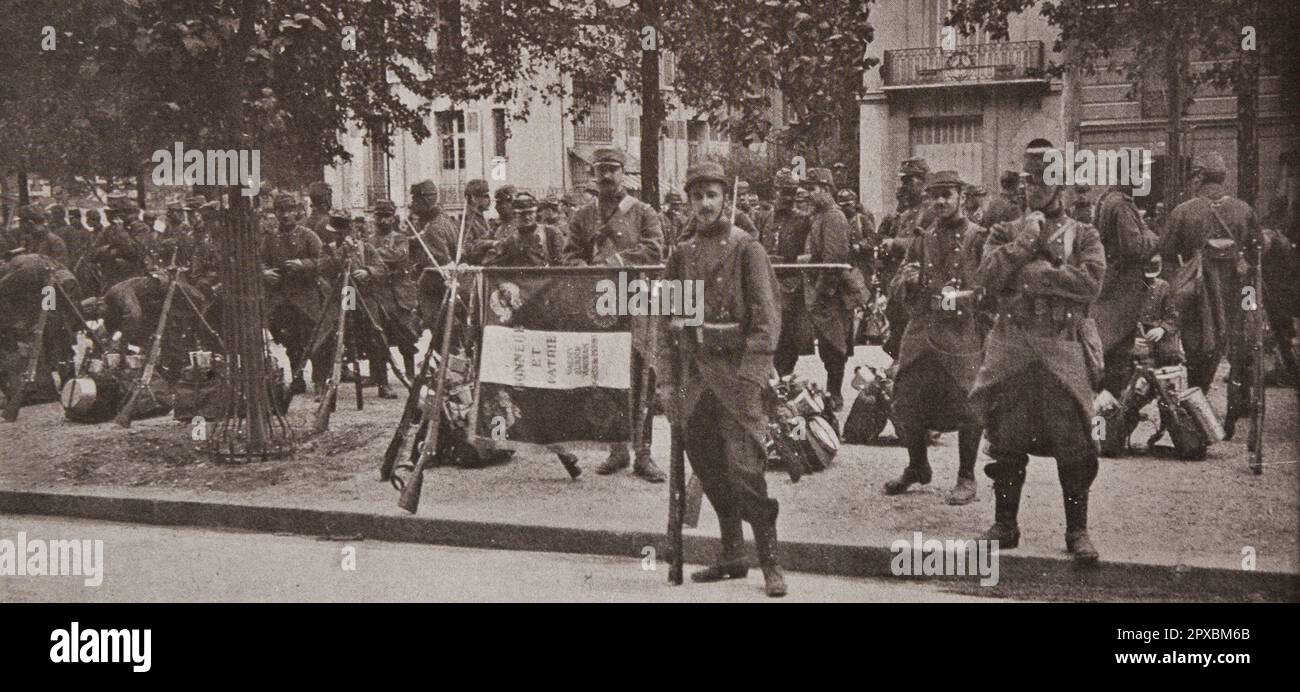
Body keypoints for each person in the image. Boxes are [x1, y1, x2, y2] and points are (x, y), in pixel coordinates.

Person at [970, 144, 1106, 563]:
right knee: (1007, 440)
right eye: (1028, 180)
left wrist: (1036, 274)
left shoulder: (1085, 234)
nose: (1033, 189)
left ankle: (1077, 530)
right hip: (1014, 349)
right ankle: (1005, 525)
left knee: (1074, 444)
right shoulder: (1004, 232)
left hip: (1062, 349)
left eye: (1043, 180)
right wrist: (1026, 243)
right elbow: (988, 278)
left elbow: (1090, 284)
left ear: (1060, 185)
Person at [664, 160, 785, 596]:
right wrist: (666, 384)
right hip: (695, 384)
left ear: (724, 199)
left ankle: (770, 561)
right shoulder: (681, 253)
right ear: (689, 201)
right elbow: (666, 323)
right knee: (711, 470)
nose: (704, 204)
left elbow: (767, 321)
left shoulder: (746, 248)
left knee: (746, 473)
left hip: (736, 382)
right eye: (697, 196)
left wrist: (753, 378)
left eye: (712, 195)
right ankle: (733, 554)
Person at [562, 146, 666, 482]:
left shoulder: (643, 212)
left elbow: (654, 249)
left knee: (643, 377)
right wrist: (588, 273)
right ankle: (617, 450)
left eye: (613, 169)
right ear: (592, 175)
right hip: (600, 311)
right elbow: (570, 257)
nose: (606, 175)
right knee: (607, 379)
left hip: (637, 306)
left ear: (623, 173)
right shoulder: (582, 217)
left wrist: (613, 264)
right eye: (601, 169)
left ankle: (644, 454)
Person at [883, 171, 988, 505]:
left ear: (961, 196)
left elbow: (990, 288)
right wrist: (907, 283)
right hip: (922, 332)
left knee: (968, 405)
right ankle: (917, 466)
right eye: (935, 195)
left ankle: (967, 477)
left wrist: (956, 299)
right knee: (905, 399)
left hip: (961, 334)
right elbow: (898, 282)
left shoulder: (979, 238)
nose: (941, 201)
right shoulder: (922, 237)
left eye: (948, 194)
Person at [1160, 151, 1263, 438]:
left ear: (1199, 178)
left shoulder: (1184, 211)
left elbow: (1166, 252)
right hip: (1241, 292)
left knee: (1198, 350)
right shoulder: (1244, 210)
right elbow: (1258, 250)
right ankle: (1235, 410)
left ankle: (1198, 412)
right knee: (1240, 346)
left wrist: (1179, 283)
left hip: (1199, 294)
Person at [1091, 179, 1160, 402]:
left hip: (1111, 281)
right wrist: (1152, 237)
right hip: (1123, 286)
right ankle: (1112, 416)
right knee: (1119, 351)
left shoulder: (1106, 199)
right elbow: (1134, 248)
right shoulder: (1121, 205)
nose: (1145, 178)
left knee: (1109, 345)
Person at [798, 167, 855, 410]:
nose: (807, 194)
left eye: (812, 189)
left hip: (832, 294)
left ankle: (835, 394)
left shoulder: (833, 217)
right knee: (828, 346)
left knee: (834, 346)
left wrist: (822, 293)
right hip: (822, 291)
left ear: (826, 189)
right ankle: (833, 392)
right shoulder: (820, 216)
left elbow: (833, 261)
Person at [261, 193, 327, 395]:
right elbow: (261, 260)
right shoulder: (270, 238)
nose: (286, 215)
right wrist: (264, 272)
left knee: (313, 340)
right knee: (291, 342)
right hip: (282, 299)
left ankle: (319, 380)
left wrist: (303, 264)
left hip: (306, 297)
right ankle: (297, 378)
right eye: (281, 211)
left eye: (290, 210)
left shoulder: (308, 235)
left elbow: (323, 261)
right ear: (276, 213)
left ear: (297, 212)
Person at [877, 157, 935, 359]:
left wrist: (896, 244)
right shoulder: (907, 214)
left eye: (909, 181)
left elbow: (930, 244)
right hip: (901, 289)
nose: (904, 187)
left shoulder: (932, 211)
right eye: (904, 181)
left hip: (921, 288)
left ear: (923, 181)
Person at [364, 198, 420, 397]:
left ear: (394, 217)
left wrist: (373, 255)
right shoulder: (369, 239)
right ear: (374, 217)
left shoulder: (400, 238)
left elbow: (397, 256)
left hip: (399, 294)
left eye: (387, 216)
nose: (383, 221)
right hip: (378, 294)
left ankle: (411, 374)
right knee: (378, 338)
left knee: (406, 333)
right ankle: (382, 382)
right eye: (379, 216)